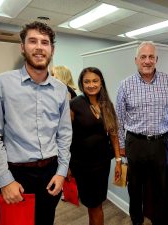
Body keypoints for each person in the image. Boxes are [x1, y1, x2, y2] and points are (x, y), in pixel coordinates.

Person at [0, 21, 72, 225]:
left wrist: (61, 171)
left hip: (50, 174)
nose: (39, 47)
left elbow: (64, 134)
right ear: (22, 47)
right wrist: (5, 180)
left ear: (52, 49)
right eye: (33, 41)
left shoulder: (60, 89)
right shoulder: (2, 83)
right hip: (15, 175)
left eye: (45, 42)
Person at [115, 41, 168, 225]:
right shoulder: (125, 86)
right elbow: (119, 120)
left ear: (156, 59)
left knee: (162, 190)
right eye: (143, 57)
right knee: (135, 190)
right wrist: (121, 147)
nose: (147, 61)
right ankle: (137, 221)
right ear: (136, 60)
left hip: (161, 144)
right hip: (136, 143)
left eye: (151, 57)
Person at [69, 67, 122, 225]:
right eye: (87, 81)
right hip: (82, 164)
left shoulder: (106, 104)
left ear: (101, 83)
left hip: (102, 163)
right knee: (93, 204)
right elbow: (64, 137)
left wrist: (118, 161)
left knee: (97, 203)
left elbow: (113, 134)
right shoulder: (73, 105)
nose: (91, 84)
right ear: (81, 84)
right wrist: (66, 165)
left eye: (95, 81)